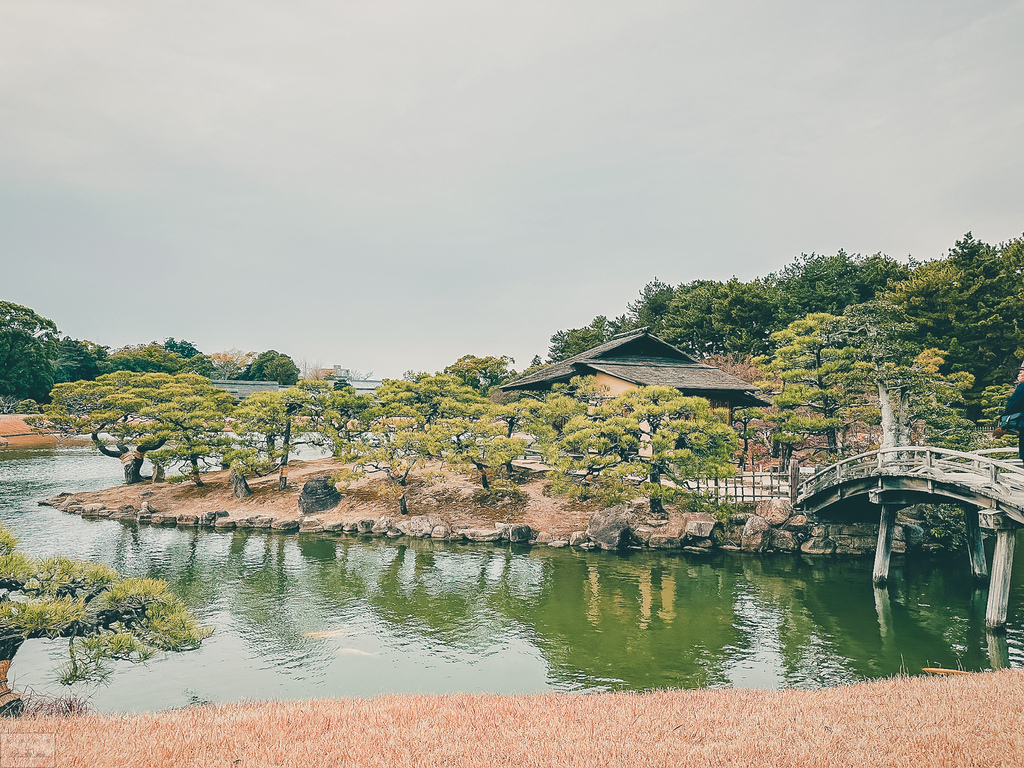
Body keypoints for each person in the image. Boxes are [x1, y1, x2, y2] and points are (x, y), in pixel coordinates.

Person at [995, 365, 1024, 462]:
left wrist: (1003, 420)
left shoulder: (1022, 387)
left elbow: (1012, 404)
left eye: (1021, 372)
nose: (1019, 375)